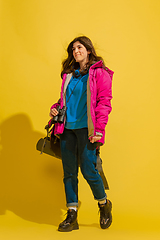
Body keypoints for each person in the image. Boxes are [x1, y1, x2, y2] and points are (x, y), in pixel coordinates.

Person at [49, 36, 114, 232]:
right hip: (67, 129)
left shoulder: (99, 73)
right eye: (73, 49)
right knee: (69, 173)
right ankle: (72, 214)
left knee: (88, 170)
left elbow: (104, 103)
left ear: (88, 50)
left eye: (79, 47)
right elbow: (64, 101)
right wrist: (55, 108)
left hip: (88, 130)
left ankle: (104, 204)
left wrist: (99, 130)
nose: (76, 51)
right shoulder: (69, 75)